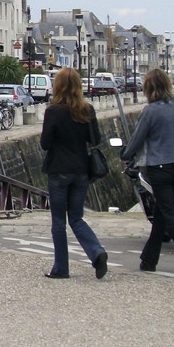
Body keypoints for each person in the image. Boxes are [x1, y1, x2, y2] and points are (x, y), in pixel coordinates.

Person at [121, 68, 174, 279]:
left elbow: (138, 138)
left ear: (148, 88)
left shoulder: (150, 111)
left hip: (158, 168)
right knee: (161, 213)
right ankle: (149, 259)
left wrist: (126, 155)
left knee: (170, 213)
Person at [39, 68, 108, 280]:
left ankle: (61, 268)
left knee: (59, 221)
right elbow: (95, 139)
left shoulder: (54, 111)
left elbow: (45, 144)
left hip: (59, 171)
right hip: (81, 171)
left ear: (57, 86)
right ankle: (96, 252)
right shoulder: (87, 110)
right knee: (76, 218)